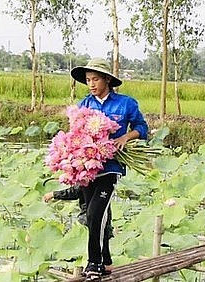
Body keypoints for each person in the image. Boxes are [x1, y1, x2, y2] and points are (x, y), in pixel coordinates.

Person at [69, 57, 148, 281]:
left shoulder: (126, 104)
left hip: (110, 167)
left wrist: (125, 136)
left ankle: (94, 264)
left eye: (95, 79)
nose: (91, 84)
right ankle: (107, 259)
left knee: (96, 213)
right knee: (92, 214)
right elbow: (76, 134)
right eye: (88, 80)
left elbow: (142, 128)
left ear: (107, 80)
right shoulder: (84, 105)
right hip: (87, 169)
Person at [42, 185, 114, 274]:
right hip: (99, 215)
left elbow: (77, 191)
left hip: (90, 216)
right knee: (100, 238)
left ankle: (98, 265)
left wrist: (54, 194)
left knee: (94, 237)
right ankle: (105, 263)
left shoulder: (91, 178)